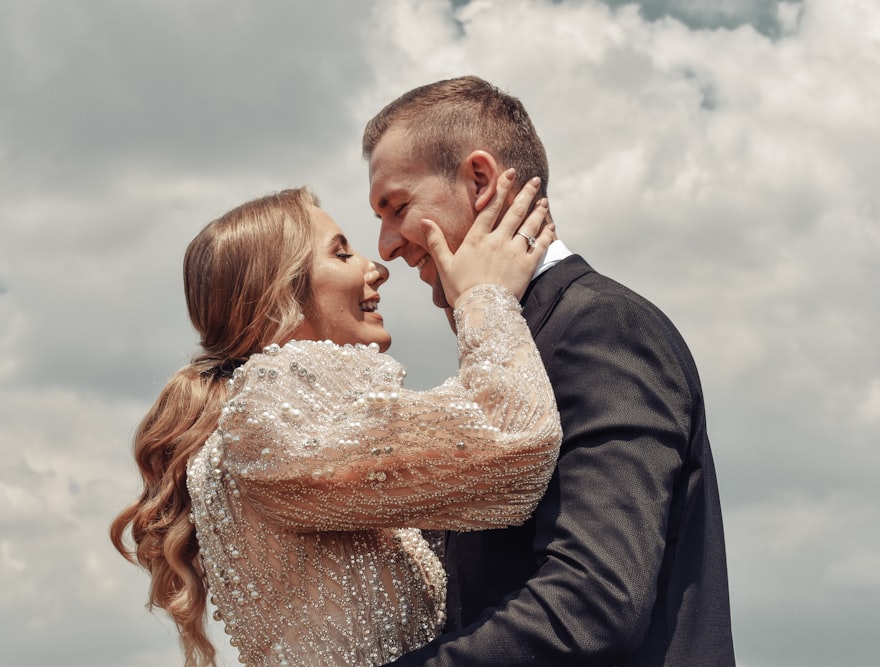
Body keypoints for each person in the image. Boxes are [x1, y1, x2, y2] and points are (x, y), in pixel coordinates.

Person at [111, 172, 564, 666]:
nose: (377, 267)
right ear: (278, 295)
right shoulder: (270, 403)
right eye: (342, 254)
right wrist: (485, 296)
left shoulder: (263, 420)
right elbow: (514, 445)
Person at [364, 75, 734, 666]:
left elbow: (594, 599)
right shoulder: (510, 348)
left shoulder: (600, 327)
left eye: (398, 207)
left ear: (479, 181)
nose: (385, 246)